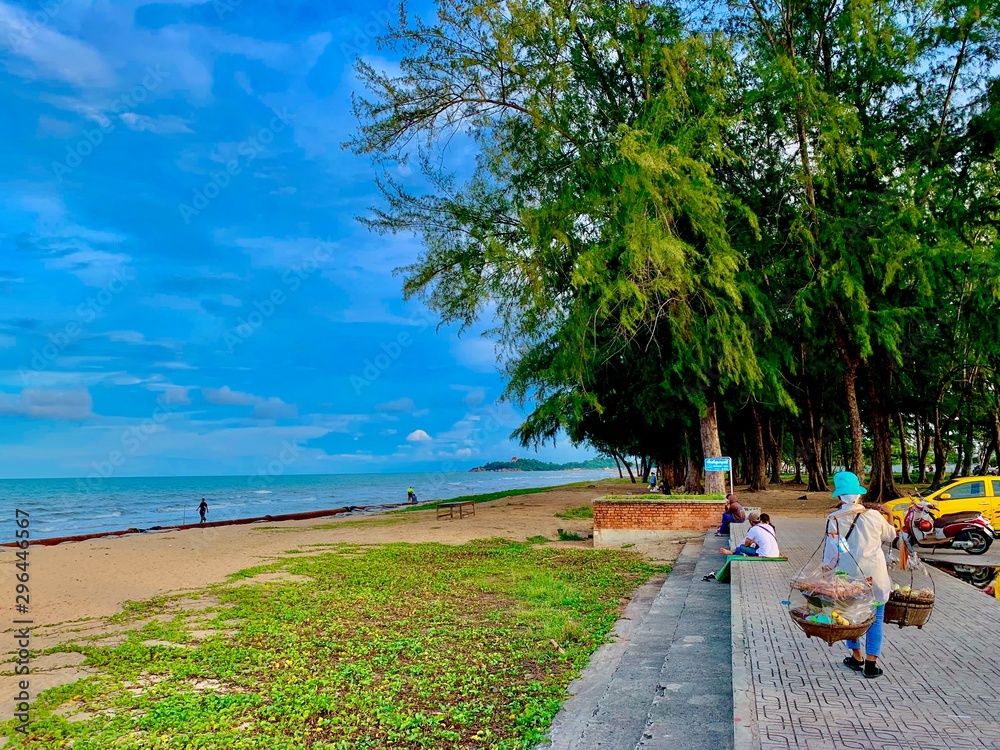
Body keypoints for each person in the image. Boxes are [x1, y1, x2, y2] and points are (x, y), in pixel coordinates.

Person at [822, 471, 896, 680]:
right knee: (876, 618)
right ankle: (871, 664)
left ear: (839, 497)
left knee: (850, 618)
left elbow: (834, 550)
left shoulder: (833, 519)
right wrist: (889, 515)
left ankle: (857, 656)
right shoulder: (874, 516)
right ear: (859, 495)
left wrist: (827, 572)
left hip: (848, 577)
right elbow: (891, 535)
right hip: (876, 577)